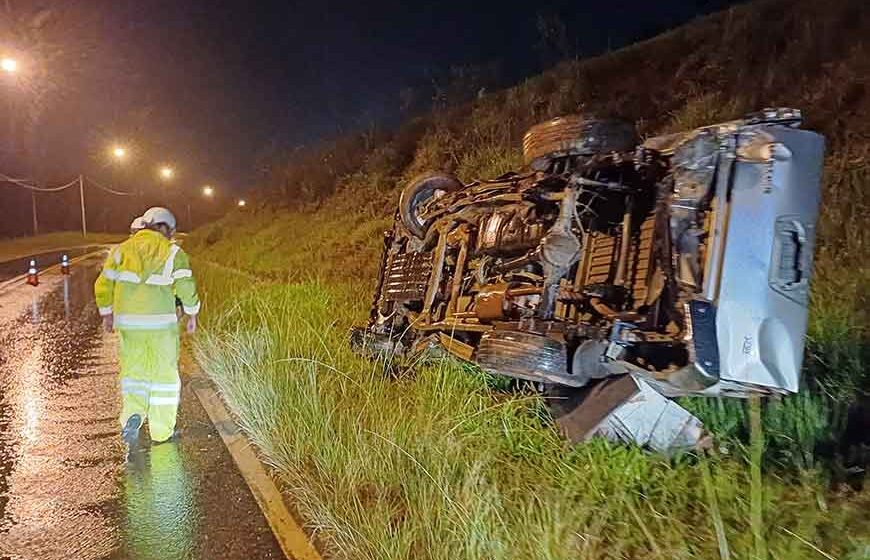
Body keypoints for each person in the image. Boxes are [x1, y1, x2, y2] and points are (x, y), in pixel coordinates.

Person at [94, 207, 200, 448]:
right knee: (164, 377)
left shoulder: (121, 250)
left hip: (129, 326)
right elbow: (186, 287)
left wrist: (106, 314)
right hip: (161, 325)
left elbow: (103, 284)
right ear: (165, 228)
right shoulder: (173, 252)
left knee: (133, 372)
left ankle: (133, 415)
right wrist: (192, 313)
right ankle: (162, 432)